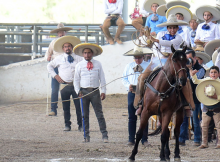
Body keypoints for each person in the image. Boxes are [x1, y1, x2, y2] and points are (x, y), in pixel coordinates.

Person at [134, 14, 195, 115]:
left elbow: (170, 44)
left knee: (185, 80)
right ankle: (140, 102)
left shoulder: (179, 37)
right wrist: (156, 48)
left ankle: (187, 104)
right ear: (167, 28)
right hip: (158, 60)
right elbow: (156, 47)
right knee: (142, 77)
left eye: (174, 28)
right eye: (170, 27)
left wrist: (156, 40)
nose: (172, 30)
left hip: (172, 61)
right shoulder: (160, 33)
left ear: (177, 28)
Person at [74, 43, 108, 143]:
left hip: (95, 91)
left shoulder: (98, 64)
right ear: (83, 54)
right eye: (85, 53)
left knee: (99, 114)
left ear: (92, 53)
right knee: (84, 115)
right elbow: (76, 79)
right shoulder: (79, 65)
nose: (87, 55)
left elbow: (102, 78)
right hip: (83, 92)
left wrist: (103, 91)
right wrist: (78, 91)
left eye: (89, 53)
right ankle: (86, 136)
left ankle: (104, 135)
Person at [47, 36, 82, 131]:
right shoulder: (59, 58)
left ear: (72, 47)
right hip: (64, 85)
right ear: (63, 49)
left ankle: (81, 125)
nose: (67, 48)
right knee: (66, 107)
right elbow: (49, 66)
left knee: (79, 106)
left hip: (76, 85)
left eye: (69, 46)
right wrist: (55, 76)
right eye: (65, 47)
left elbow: (84, 67)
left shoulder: (79, 58)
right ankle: (67, 124)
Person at [122, 46, 152, 146]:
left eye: (139, 57)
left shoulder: (149, 66)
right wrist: (128, 86)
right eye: (135, 58)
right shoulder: (129, 66)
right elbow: (124, 79)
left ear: (143, 57)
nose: (137, 60)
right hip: (132, 93)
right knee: (131, 117)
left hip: (144, 93)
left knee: (144, 116)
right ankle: (131, 139)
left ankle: (144, 139)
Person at [179, 50, 207, 146]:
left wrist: (190, 70)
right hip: (185, 97)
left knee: (196, 120)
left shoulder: (201, 69)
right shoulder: (183, 69)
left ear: (195, 58)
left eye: (190, 58)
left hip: (195, 98)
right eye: (186, 59)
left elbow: (195, 81)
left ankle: (197, 139)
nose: (188, 60)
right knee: (183, 120)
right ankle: (182, 139)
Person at [45, 23, 73, 116]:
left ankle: (70, 108)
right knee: (55, 88)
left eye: (63, 32)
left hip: (66, 66)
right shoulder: (53, 42)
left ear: (65, 32)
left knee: (70, 87)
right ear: (57, 33)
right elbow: (48, 53)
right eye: (60, 32)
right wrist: (48, 58)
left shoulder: (68, 43)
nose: (61, 34)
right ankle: (53, 109)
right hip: (56, 66)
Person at [190, 66, 220, 149]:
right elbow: (196, 81)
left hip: (217, 107)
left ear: (218, 74)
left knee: (219, 126)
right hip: (206, 107)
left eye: (215, 72)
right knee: (204, 125)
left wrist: (216, 97)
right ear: (209, 73)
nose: (213, 74)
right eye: (212, 72)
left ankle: (219, 143)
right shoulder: (206, 80)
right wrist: (193, 75)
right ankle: (204, 143)